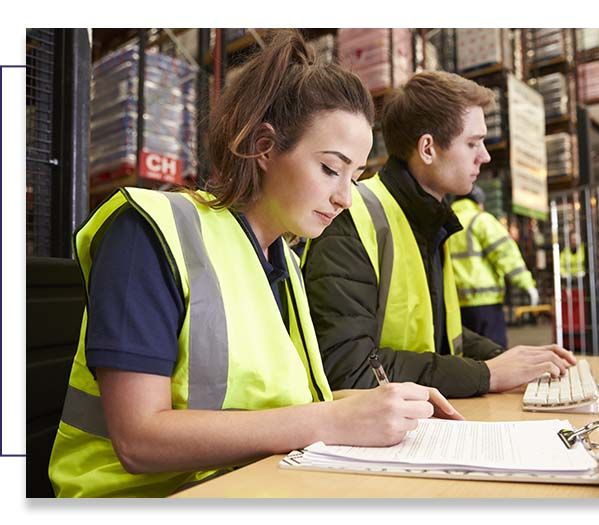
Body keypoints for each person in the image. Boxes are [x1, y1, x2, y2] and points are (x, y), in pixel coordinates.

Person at [48, 31, 462, 498]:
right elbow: (139, 440)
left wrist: (380, 403)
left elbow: (283, 407)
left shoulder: (282, 259)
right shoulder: (149, 231)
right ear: (264, 147)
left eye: (356, 176)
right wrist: (330, 418)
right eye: (330, 168)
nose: (346, 198)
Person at [303, 71, 576, 399]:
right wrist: (486, 374)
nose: (485, 156)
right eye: (473, 143)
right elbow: (348, 368)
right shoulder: (351, 218)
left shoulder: (430, 222)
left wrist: (508, 359)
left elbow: (442, 338)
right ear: (428, 148)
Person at [448, 184, 539, 348]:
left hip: (454, 304)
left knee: (465, 355)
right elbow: (505, 254)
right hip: (485, 302)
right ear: (478, 202)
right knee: (493, 352)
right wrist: (526, 284)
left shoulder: (445, 222)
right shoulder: (481, 220)